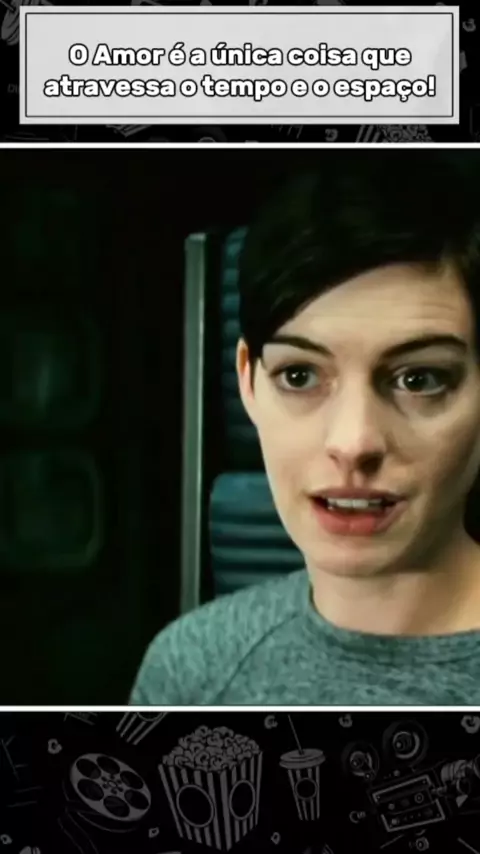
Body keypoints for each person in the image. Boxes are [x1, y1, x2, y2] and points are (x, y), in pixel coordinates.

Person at [130, 150, 480, 705]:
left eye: (419, 379)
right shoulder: (193, 669)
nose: (353, 442)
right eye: (299, 375)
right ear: (248, 382)